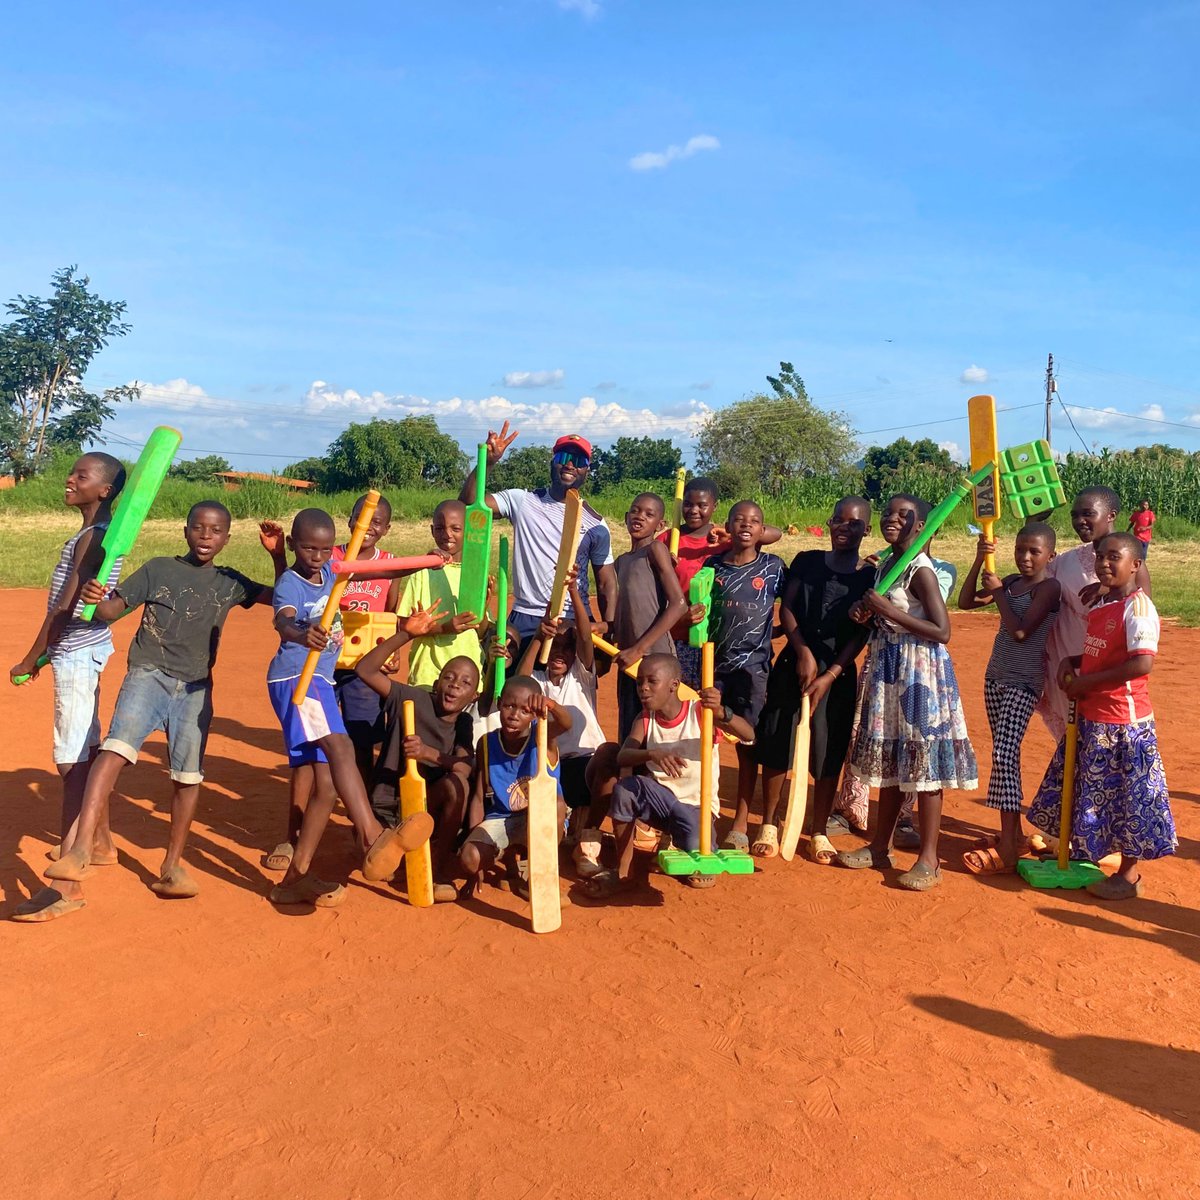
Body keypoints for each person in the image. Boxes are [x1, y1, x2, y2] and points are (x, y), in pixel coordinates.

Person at [42, 502, 284, 903]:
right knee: (114, 750)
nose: (207, 537)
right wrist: (93, 597)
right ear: (185, 531)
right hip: (148, 675)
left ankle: (172, 865)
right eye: (199, 528)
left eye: (216, 530)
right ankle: (82, 849)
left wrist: (278, 556)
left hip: (195, 689)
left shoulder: (230, 581)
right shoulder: (158, 569)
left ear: (227, 537)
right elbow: (108, 611)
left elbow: (280, 598)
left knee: (187, 776)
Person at [265, 508, 433, 908]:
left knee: (325, 788)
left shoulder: (334, 572)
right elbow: (284, 622)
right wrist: (304, 634)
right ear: (293, 546)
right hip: (297, 679)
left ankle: (295, 880)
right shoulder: (290, 582)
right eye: (308, 548)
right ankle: (373, 835)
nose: (317, 557)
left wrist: (431, 560)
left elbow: (386, 572)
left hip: (318, 681)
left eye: (325, 549)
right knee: (341, 749)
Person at [836, 494, 978, 891]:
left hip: (920, 674)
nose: (892, 519)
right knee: (896, 760)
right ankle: (880, 846)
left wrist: (887, 611)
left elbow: (942, 631)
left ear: (921, 527)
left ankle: (929, 859)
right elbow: (882, 617)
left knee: (923, 762)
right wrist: (865, 614)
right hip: (888, 668)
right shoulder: (887, 565)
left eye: (903, 515)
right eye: (887, 513)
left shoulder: (920, 570)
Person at [10, 453, 127, 921]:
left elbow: (63, 607)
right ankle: (99, 845)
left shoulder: (95, 539)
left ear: (104, 490)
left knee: (72, 763)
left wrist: (32, 655)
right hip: (79, 650)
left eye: (82, 476)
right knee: (85, 749)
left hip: (76, 654)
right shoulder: (92, 533)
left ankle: (65, 887)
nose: (69, 479)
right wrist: (44, 654)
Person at [1028, 532, 1174, 900]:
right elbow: (1096, 653)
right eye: (1101, 558)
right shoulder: (1102, 604)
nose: (1105, 564)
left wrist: (1085, 681)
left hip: (1123, 722)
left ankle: (1128, 876)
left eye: (1115, 558)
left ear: (1135, 565)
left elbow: (1141, 663)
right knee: (1091, 793)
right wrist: (1071, 662)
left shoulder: (1138, 609)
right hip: (1093, 714)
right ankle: (1085, 850)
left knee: (1128, 798)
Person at [751, 497, 874, 864]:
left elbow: (861, 633)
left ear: (866, 530)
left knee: (827, 752)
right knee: (777, 740)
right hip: (794, 663)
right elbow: (787, 608)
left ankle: (818, 830)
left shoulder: (870, 578)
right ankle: (769, 824)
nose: (843, 528)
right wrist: (802, 651)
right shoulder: (806, 561)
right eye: (838, 520)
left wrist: (831, 674)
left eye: (853, 523)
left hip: (837, 673)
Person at [582, 654, 756, 898]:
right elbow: (623, 756)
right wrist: (653, 753)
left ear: (674, 685)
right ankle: (624, 871)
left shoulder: (700, 712)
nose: (643, 688)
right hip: (659, 802)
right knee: (626, 789)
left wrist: (721, 712)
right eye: (639, 681)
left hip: (697, 808)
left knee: (698, 857)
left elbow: (749, 736)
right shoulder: (645, 718)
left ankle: (683, 842)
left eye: (652, 681)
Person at [460, 421, 616, 656]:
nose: (570, 464)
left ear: (587, 470)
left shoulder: (596, 523)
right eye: (563, 456)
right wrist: (488, 464)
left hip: (573, 620)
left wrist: (609, 628)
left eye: (579, 461)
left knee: (570, 691)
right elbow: (470, 505)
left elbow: (606, 583)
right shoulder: (523, 501)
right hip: (526, 616)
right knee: (514, 689)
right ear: (553, 461)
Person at [957, 524, 1061, 874]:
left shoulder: (1049, 587)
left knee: (1003, 753)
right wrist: (978, 561)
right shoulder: (1013, 582)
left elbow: (1019, 631)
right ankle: (1012, 834)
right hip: (995, 677)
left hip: (1024, 682)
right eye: (1020, 550)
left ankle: (1008, 846)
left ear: (1051, 556)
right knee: (1004, 756)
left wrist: (1000, 592)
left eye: (1034, 551)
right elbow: (965, 601)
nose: (1025, 557)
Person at [355, 607, 478, 902]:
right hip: (389, 804)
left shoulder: (463, 723)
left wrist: (428, 753)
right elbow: (365, 670)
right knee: (375, 861)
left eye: (464, 683)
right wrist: (406, 634)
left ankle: (436, 868)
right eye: (449, 678)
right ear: (436, 684)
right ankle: (391, 844)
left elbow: (464, 768)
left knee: (456, 785)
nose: (454, 686)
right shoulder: (409, 697)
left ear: (472, 697)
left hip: (427, 808)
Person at [517, 565, 619, 878]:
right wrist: (538, 638)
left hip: (586, 763)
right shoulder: (535, 679)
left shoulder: (582, 676)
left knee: (610, 756)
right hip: (549, 767)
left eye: (567, 647)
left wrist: (575, 591)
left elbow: (586, 636)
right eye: (555, 646)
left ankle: (586, 838)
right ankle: (561, 829)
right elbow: (518, 685)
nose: (560, 654)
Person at [702, 501, 786, 853]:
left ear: (763, 530)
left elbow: (794, 608)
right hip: (714, 665)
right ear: (728, 525)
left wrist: (774, 633)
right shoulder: (712, 565)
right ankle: (716, 817)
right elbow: (700, 609)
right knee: (713, 737)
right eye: (739, 520)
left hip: (754, 669)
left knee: (753, 742)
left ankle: (757, 822)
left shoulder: (773, 567)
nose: (746, 526)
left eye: (754, 522)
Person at [1038, 487, 1151, 741]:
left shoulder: (1131, 564)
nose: (1080, 521)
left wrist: (1110, 586)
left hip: (1108, 676)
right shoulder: (1069, 560)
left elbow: (1142, 618)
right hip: (1071, 662)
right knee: (1071, 749)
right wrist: (1031, 524)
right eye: (1074, 515)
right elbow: (1037, 578)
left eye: (1088, 513)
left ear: (1110, 515)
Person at [660, 477, 781, 686]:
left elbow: (773, 533)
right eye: (688, 504)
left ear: (714, 507)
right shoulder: (668, 540)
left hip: (715, 640)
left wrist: (731, 533)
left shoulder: (724, 541)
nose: (694, 510)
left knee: (710, 702)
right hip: (677, 634)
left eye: (702, 505)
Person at [459, 677, 570, 898]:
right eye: (509, 706)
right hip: (502, 818)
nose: (514, 715)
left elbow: (567, 723)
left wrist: (551, 705)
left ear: (534, 714)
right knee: (469, 858)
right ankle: (511, 867)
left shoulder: (543, 736)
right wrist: (474, 844)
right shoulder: (486, 743)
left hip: (539, 819)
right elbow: (479, 797)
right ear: (499, 703)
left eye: (524, 710)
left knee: (556, 803)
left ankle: (540, 873)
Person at [330, 494, 399, 789]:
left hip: (365, 668)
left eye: (377, 522)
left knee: (362, 739)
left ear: (387, 528)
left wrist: (391, 655)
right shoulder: (330, 557)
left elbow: (391, 615)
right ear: (349, 521)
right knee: (324, 736)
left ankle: (365, 800)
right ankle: (326, 793)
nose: (367, 526)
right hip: (327, 661)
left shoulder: (392, 565)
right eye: (361, 519)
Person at [611, 492, 687, 744]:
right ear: (625, 516)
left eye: (648, 514)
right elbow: (627, 613)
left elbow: (678, 604)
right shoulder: (621, 561)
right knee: (630, 734)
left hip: (654, 659)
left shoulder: (656, 549)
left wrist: (639, 649)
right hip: (629, 660)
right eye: (635, 511)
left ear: (661, 525)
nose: (639, 517)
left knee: (657, 734)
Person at [397, 499, 483, 688]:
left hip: (469, 679)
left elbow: (482, 629)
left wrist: (485, 605)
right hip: (428, 677)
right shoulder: (422, 571)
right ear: (432, 530)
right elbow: (402, 623)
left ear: (469, 530)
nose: (447, 535)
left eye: (456, 528)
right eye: (440, 528)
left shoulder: (478, 572)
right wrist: (443, 628)